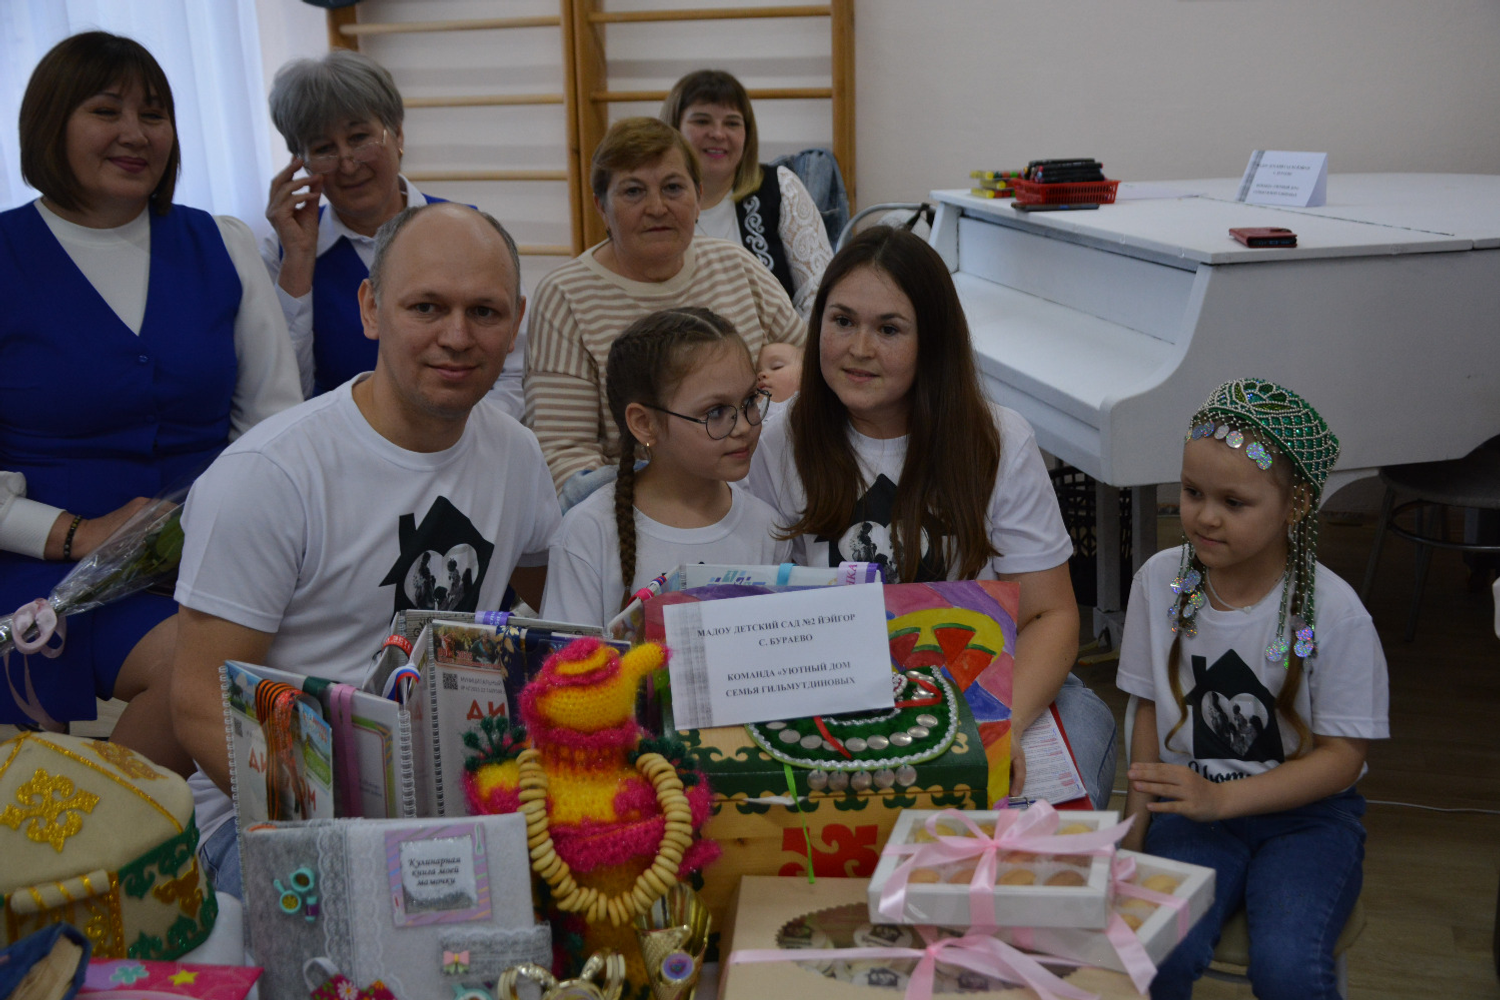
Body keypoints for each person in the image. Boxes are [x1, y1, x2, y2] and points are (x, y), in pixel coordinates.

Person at [170, 203, 560, 896]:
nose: (456, 336)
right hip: (274, 816)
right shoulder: (270, 474)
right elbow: (199, 703)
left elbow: (557, 611)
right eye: (427, 307)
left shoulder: (515, 454)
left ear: (516, 323)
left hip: (453, 794)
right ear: (371, 309)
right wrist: (356, 836)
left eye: (485, 312)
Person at [0, 32, 300, 763]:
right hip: (46, 568)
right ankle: (89, 834)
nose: (136, 134)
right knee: (195, 674)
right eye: (107, 111)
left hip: (214, 557)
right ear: (50, 126)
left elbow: (276, 427)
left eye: (154, 114)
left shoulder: (222, 243)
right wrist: (74, 533)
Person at [747, 226, 1116, 807]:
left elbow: (1051, 614)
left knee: (1049, 800)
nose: (859, 348)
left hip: (994, 686)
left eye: (889, 329)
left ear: (933, 341)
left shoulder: (999, 439)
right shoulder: (776, 440)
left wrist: (1002, 726)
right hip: (835, 698)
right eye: (842, 321)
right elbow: (758, 616)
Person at [1116, 379, 1388, 1000]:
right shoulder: (1158, 582)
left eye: (1234, 502)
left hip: (1308, 822)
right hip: (1189, 813)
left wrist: (1222, 800)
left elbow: (1344, 759)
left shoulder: (1337, 613)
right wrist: (1132, 834)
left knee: (1288, 967)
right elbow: (1148, 711)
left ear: (1295, 505)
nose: (1205, 516)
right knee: (1150, 953)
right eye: (1192, 492)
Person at [525, 116, 805, 500]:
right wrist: (667, 510)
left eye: (673, 188)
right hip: (632, 509)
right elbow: (565, 457)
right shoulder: (564, 297)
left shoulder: (737, 265)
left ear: (698, 197)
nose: (657, 208)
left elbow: (807, 361)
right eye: (633, 191)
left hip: (767, 490)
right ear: (601, 207)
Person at [261, 50, 525, 413]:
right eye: (324, 149)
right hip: (336, 441)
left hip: (461, 435)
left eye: (359, 138)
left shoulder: (471, 233)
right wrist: (298, 261)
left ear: (397, 134)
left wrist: (459, 436)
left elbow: (513, 374)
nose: (348, 164)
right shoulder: (283, 253)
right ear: (301, 164)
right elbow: (285, 395)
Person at [540, 308, 789, 627]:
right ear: (645, 424)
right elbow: (569, 658)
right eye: (715, 412)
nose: (742, 427)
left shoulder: (768, 529)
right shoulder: (588, 534)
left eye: (750, 400)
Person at [660, 70, 834, 318]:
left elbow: (819, 292)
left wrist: (794, 342)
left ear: (747, 134)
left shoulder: (782, 188)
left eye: (732, 123)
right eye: (702, 121)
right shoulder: (651, 204)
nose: (718, 134)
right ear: (674, 128)